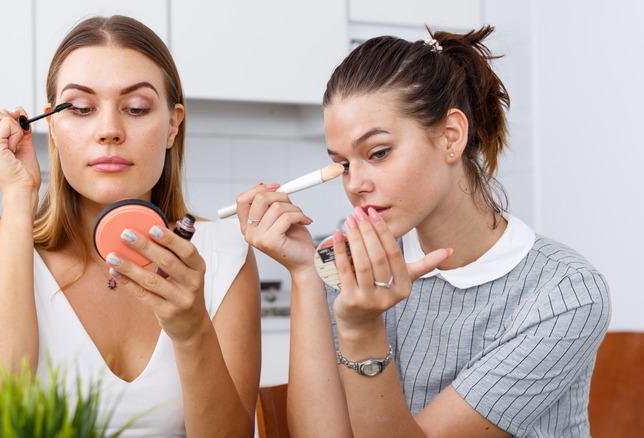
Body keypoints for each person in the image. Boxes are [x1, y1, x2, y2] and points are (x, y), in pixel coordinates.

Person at [234, 26, 610, 437]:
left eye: (378, 153)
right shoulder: (353, 253)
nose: (355, 183)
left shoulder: (565, 293)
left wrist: (363, 331)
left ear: (451, 137)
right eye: (342, 164)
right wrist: (306, 274)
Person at [0, 15, 261, 436]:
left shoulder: (223, 256)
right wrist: (18, 199)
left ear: (173, 125)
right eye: (82, 109)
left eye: (137, 108)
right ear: (50, 125)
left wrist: (191, 327)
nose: (109, 130)